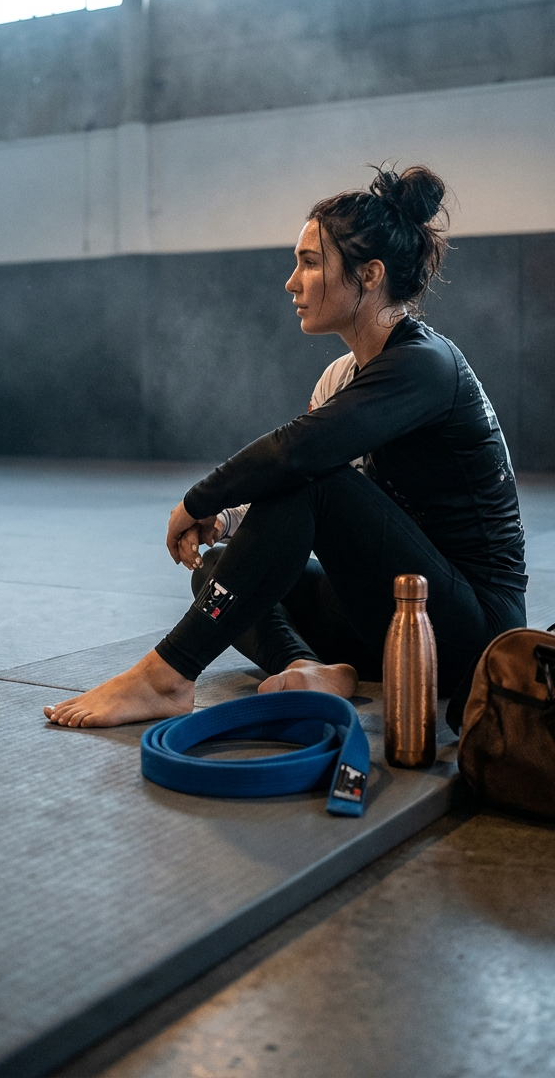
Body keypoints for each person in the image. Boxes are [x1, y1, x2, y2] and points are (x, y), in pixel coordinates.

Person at [43, 164, 527, 730]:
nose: (291, 282)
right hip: (387, 621)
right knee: (220, 572)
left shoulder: (426, 365)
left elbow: (299, 460)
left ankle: (166, 675)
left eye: (311, 262)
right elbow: (294, 486)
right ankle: (305, 666)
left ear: (370, 275)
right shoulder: (341, 378)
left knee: (311, 477)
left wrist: (199, 500)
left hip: (467, 636)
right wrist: (222, 522)